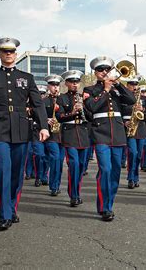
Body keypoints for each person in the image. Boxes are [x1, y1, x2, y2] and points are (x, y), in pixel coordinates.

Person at [0, 37, 49, 230]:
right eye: (4, 51)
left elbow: (38, 104)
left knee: (17, 174)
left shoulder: (27, 78)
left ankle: (11, 206)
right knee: (3, 171)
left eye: (11, 51)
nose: (8, 54)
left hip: (21, 129)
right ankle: (5, 215)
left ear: (16, 54)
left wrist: (43, 126)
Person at [83, 56, 136, 221]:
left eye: (107, 69)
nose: (104, 72)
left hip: (118, 132)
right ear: (95, 72)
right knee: (105, 169)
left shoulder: (117, 89)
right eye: (100, 70)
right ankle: (105, 207)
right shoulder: (90, 89)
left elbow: (132, 100)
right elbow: (91, 107)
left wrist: (118, 84)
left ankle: (108, 204)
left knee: (115, 172)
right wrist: (105, 89)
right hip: (101, 132)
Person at [56, 70, 90, 207]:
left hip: (83, 133)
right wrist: (73, 112)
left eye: (77, 82)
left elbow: (91, 116)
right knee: (74, 164)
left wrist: (84, 108)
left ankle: (76, 191)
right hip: (69, 134)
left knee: (81, 166)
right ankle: (74, 195)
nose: (75, 84)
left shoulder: (84, 97)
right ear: (66, 83)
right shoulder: (61, 98)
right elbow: (60, 117)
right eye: (72, 82)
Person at [122, 76, 146, 189]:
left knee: (138, 155)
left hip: (140, 127)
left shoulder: (143, 99)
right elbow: (119, 112)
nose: (134, 87)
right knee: (132, 153)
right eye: (132, 85)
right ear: (127, 86)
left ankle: (136, 177)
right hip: (129, 127)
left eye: (136, 85)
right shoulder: (122, 97)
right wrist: (124, 122)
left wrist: (143, 110)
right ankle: (131, 178)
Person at [43, 74, 64, 196]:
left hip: (63, 134)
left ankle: (56, 183)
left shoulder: (64, 99)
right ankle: (54, 186)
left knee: (60, 161)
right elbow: (36, 114)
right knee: (55, 158)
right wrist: (46, 119)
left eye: (57, 85)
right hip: (51, 135)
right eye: (52, 85)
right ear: (48, 86)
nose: (55, 87)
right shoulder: (44, 100)